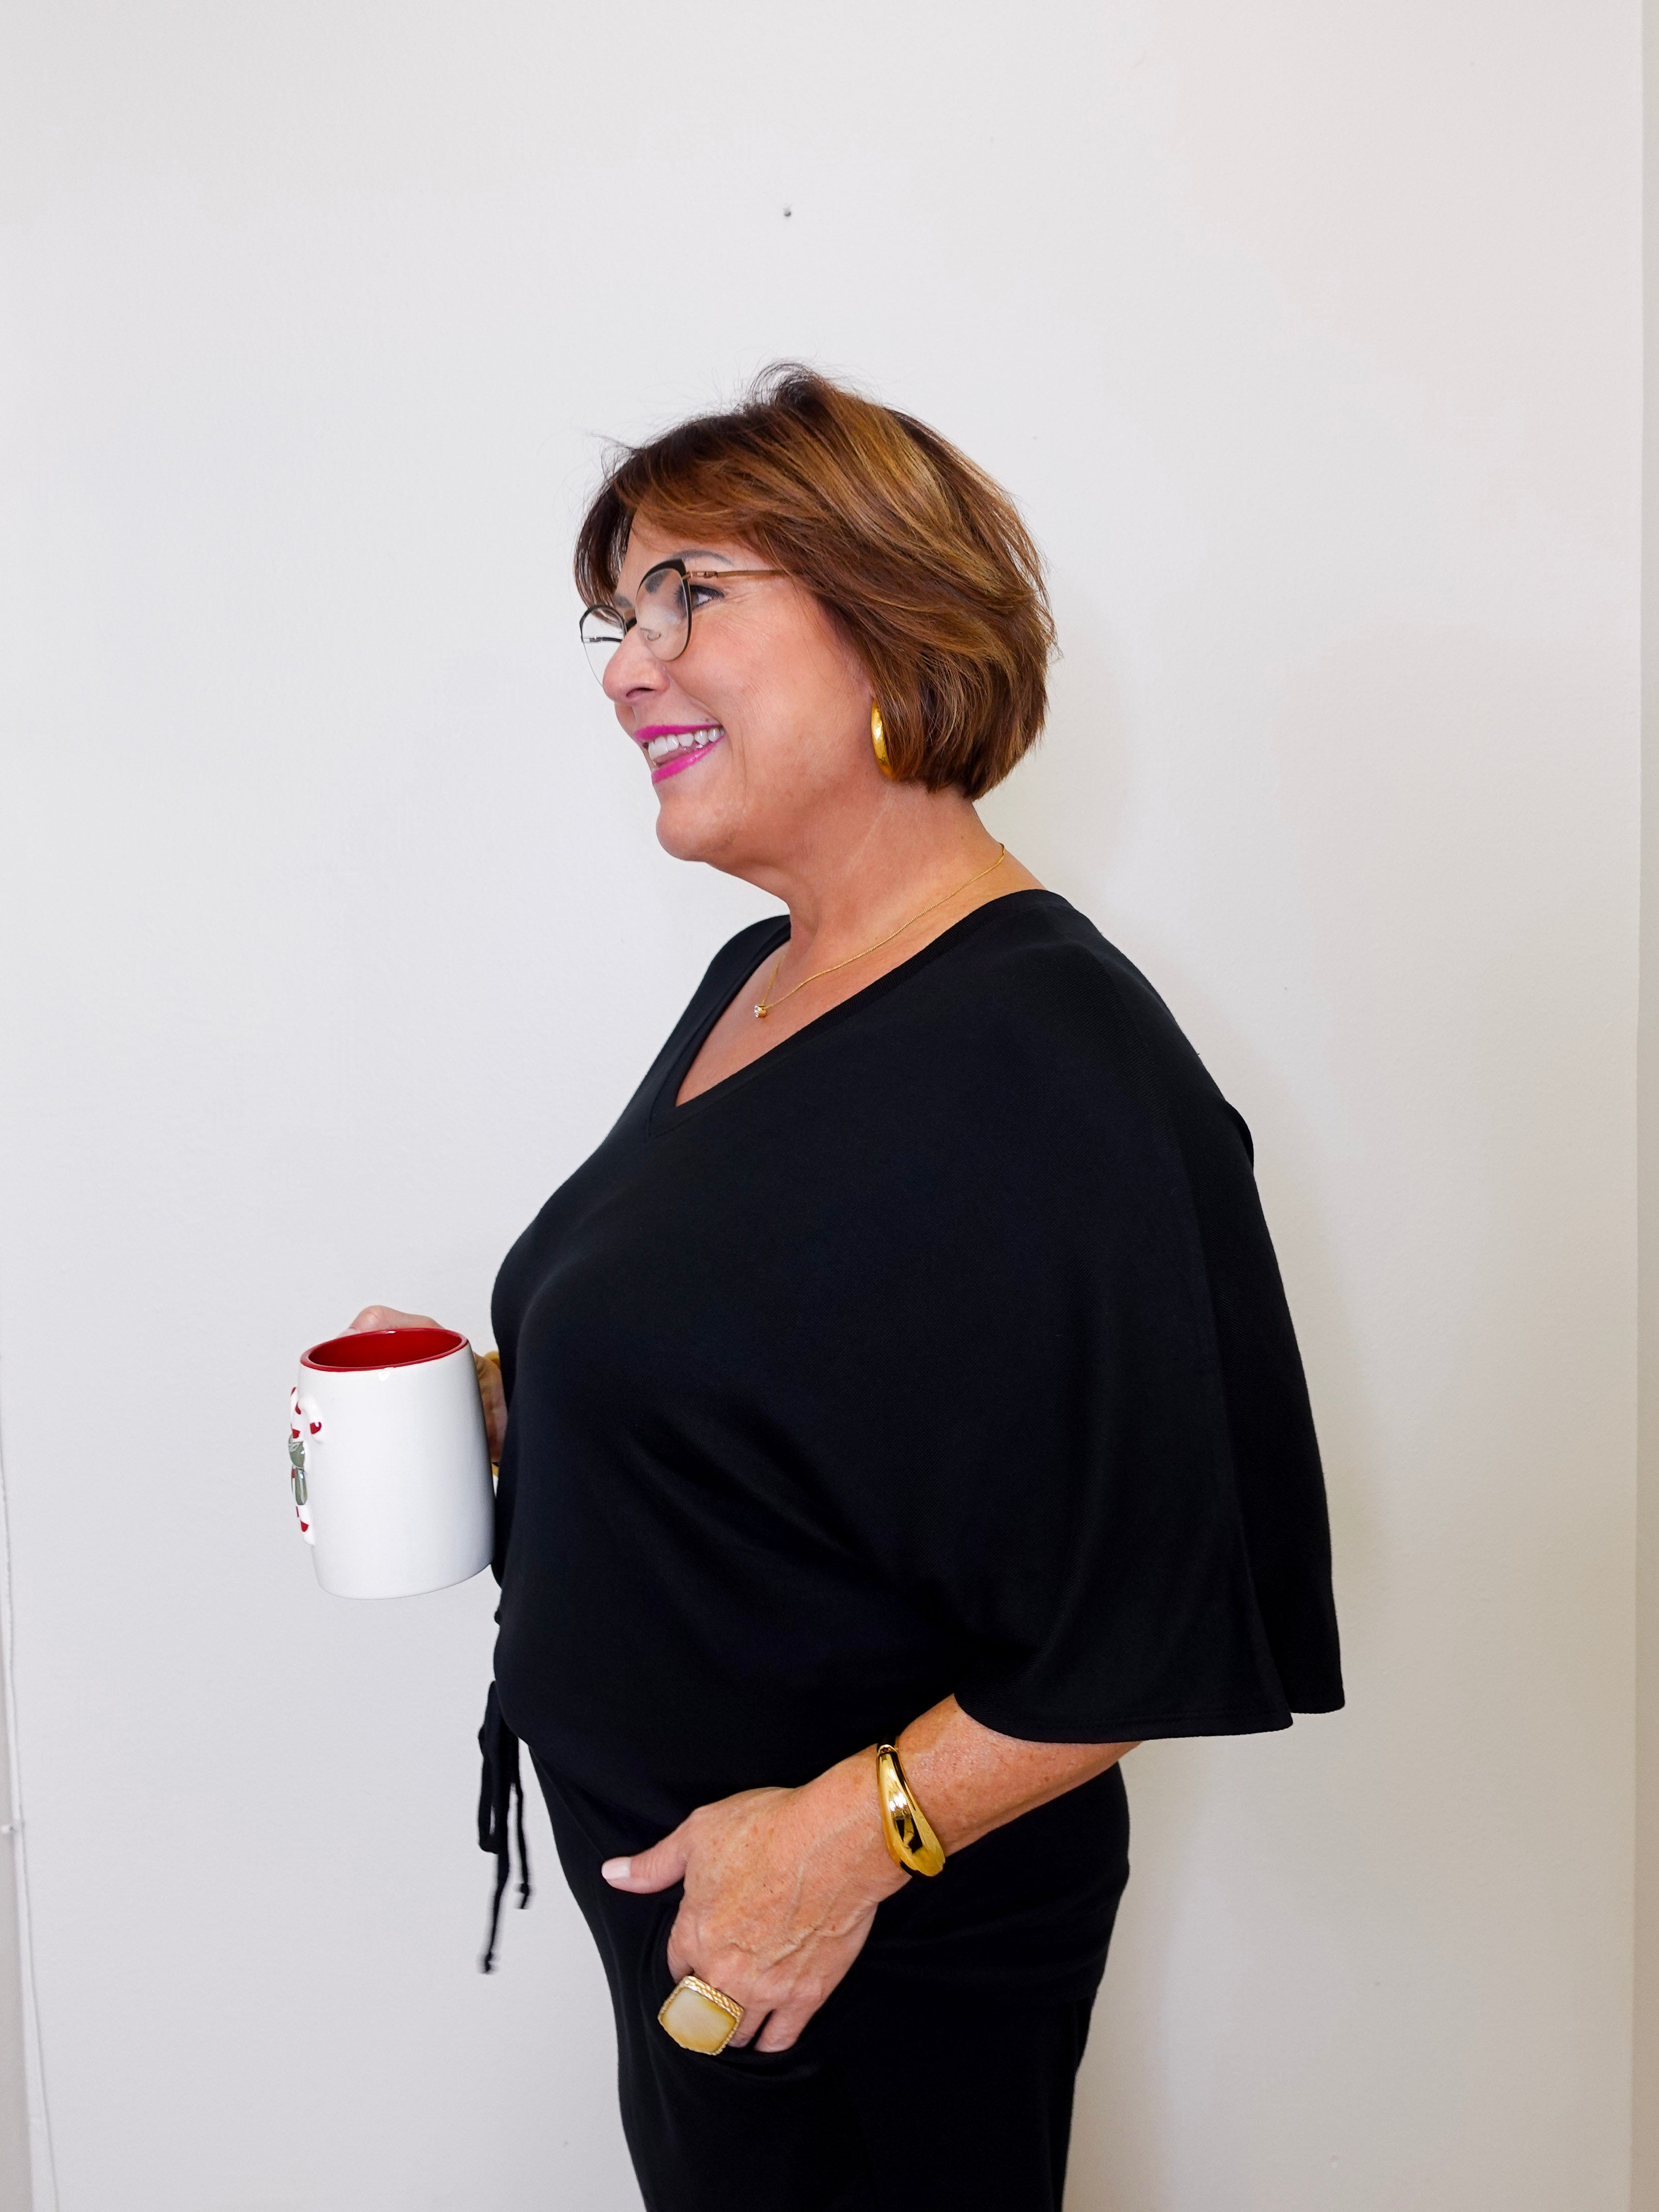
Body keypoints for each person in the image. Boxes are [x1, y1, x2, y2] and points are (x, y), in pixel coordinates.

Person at [349, 364, 1342, 2212]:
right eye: (616, 612)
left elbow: (1162, 1595)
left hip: (848, 1947)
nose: (624, 666)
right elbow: (797, 1352)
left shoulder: (1056, 1057)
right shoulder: (763, 971)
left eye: (690, 597)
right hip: (703, 1907)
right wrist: (513, 1400)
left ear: (892, 618)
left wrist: (840, 1847)